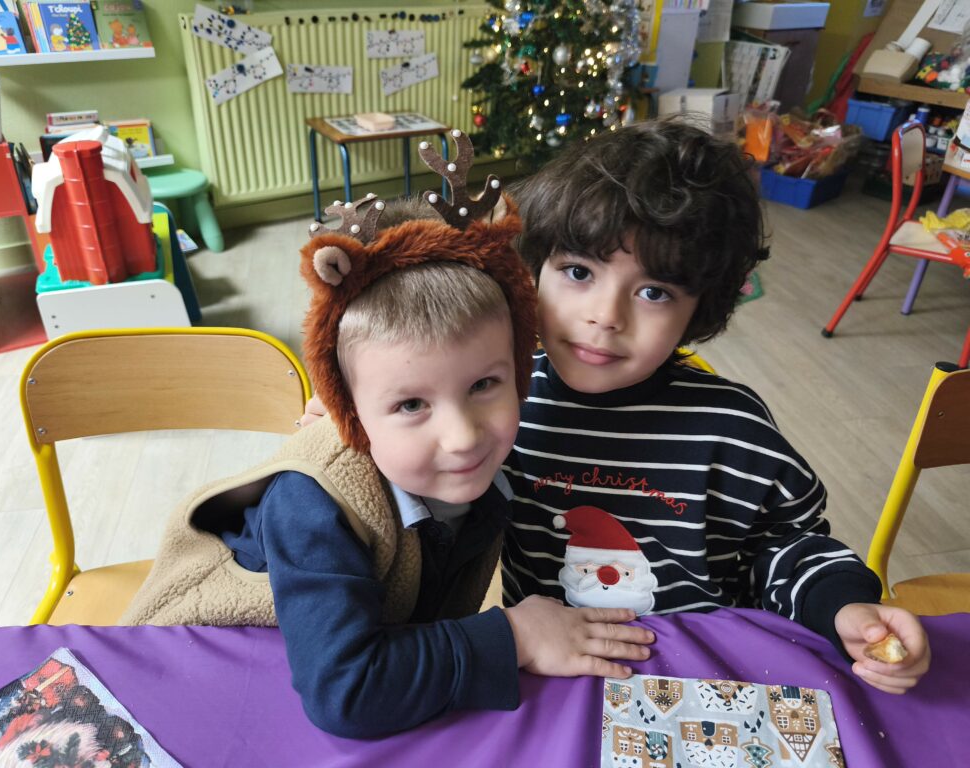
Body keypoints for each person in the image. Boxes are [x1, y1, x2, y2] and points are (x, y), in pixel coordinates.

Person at [121, 132, 655, 738]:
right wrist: (514, 636)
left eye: (484, 384)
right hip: (175, 699)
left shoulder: (469, 466)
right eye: (410, 403)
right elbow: (347, 692)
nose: (462, 437)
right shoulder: (311, 509)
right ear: (349, 411)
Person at [501, 119, 930, 696]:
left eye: (654, 292)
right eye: (578, 272)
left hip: (704, 686)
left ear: (699, 308)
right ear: (534, 270)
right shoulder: (499, 399)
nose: (605, 316)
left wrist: (845, 608)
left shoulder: (733, 429)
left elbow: (787, 547)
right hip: (550, 684)